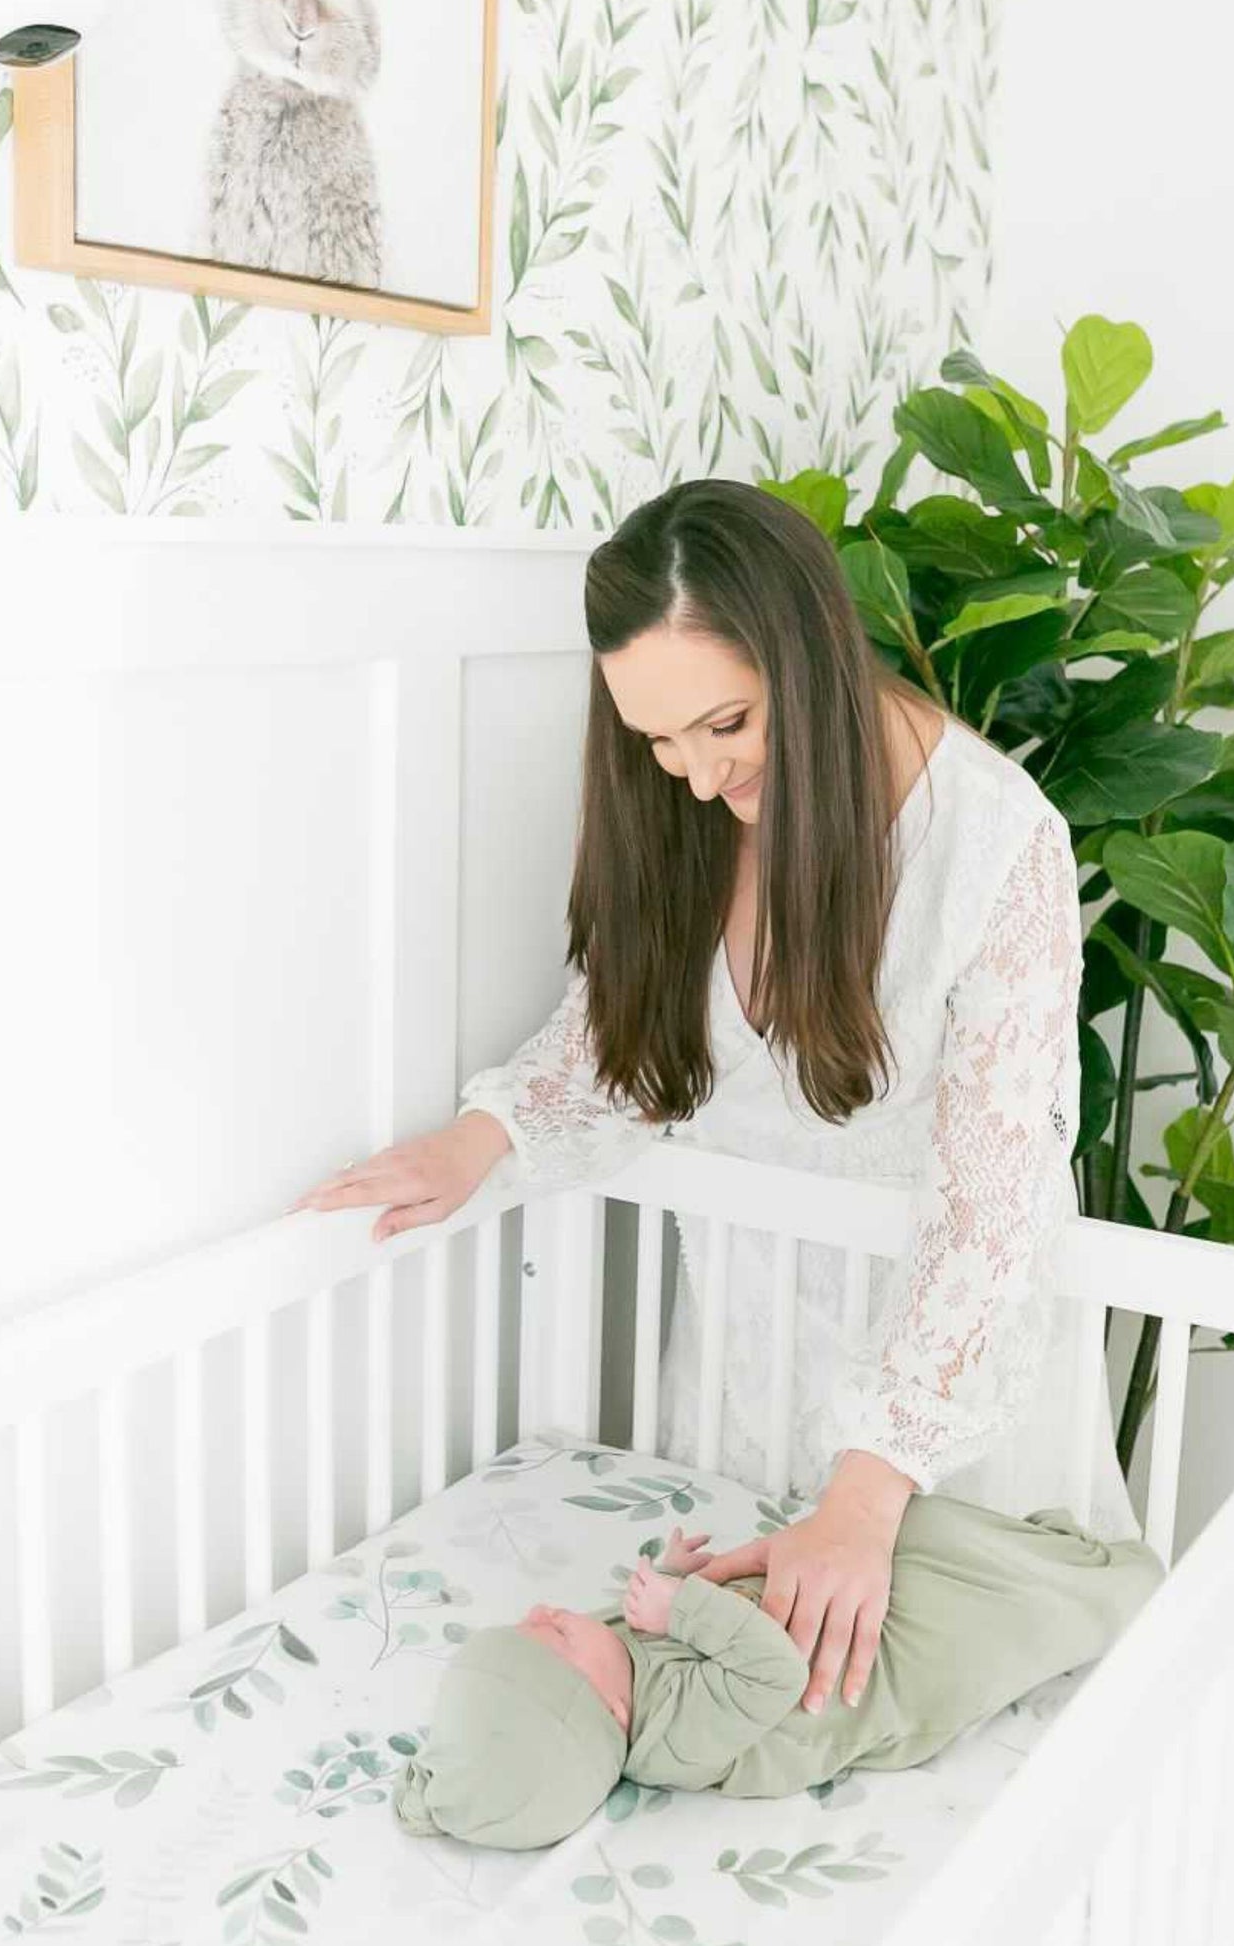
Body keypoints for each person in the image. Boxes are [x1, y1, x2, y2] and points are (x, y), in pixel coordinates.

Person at [285, 478, 1137, 1723]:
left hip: (930, 1394)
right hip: (746, 1337)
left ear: (805, 654)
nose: (692, 775)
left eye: (724, 722)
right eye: (657, 740)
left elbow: (991, 1210)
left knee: (946, 1734)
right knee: (728, 1709)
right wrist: (484, 1136)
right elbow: (624, 1034)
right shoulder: (686, 813)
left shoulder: (995, 843)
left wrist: (869, 1486)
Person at [392, 1499, 1165, 1850]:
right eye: (546, 1640)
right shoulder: (678, 1743)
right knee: (1006, 1610)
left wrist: (670, 1576)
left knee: (929, 1528)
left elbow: (636, 1629)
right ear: (601, 1712)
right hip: (887, 1672)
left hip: (836, 1607)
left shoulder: (614, 1667)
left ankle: (1064, 1552)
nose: (542, 1614)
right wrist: (684, 1609)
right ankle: (1125, 1586)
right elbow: (774, 1672)